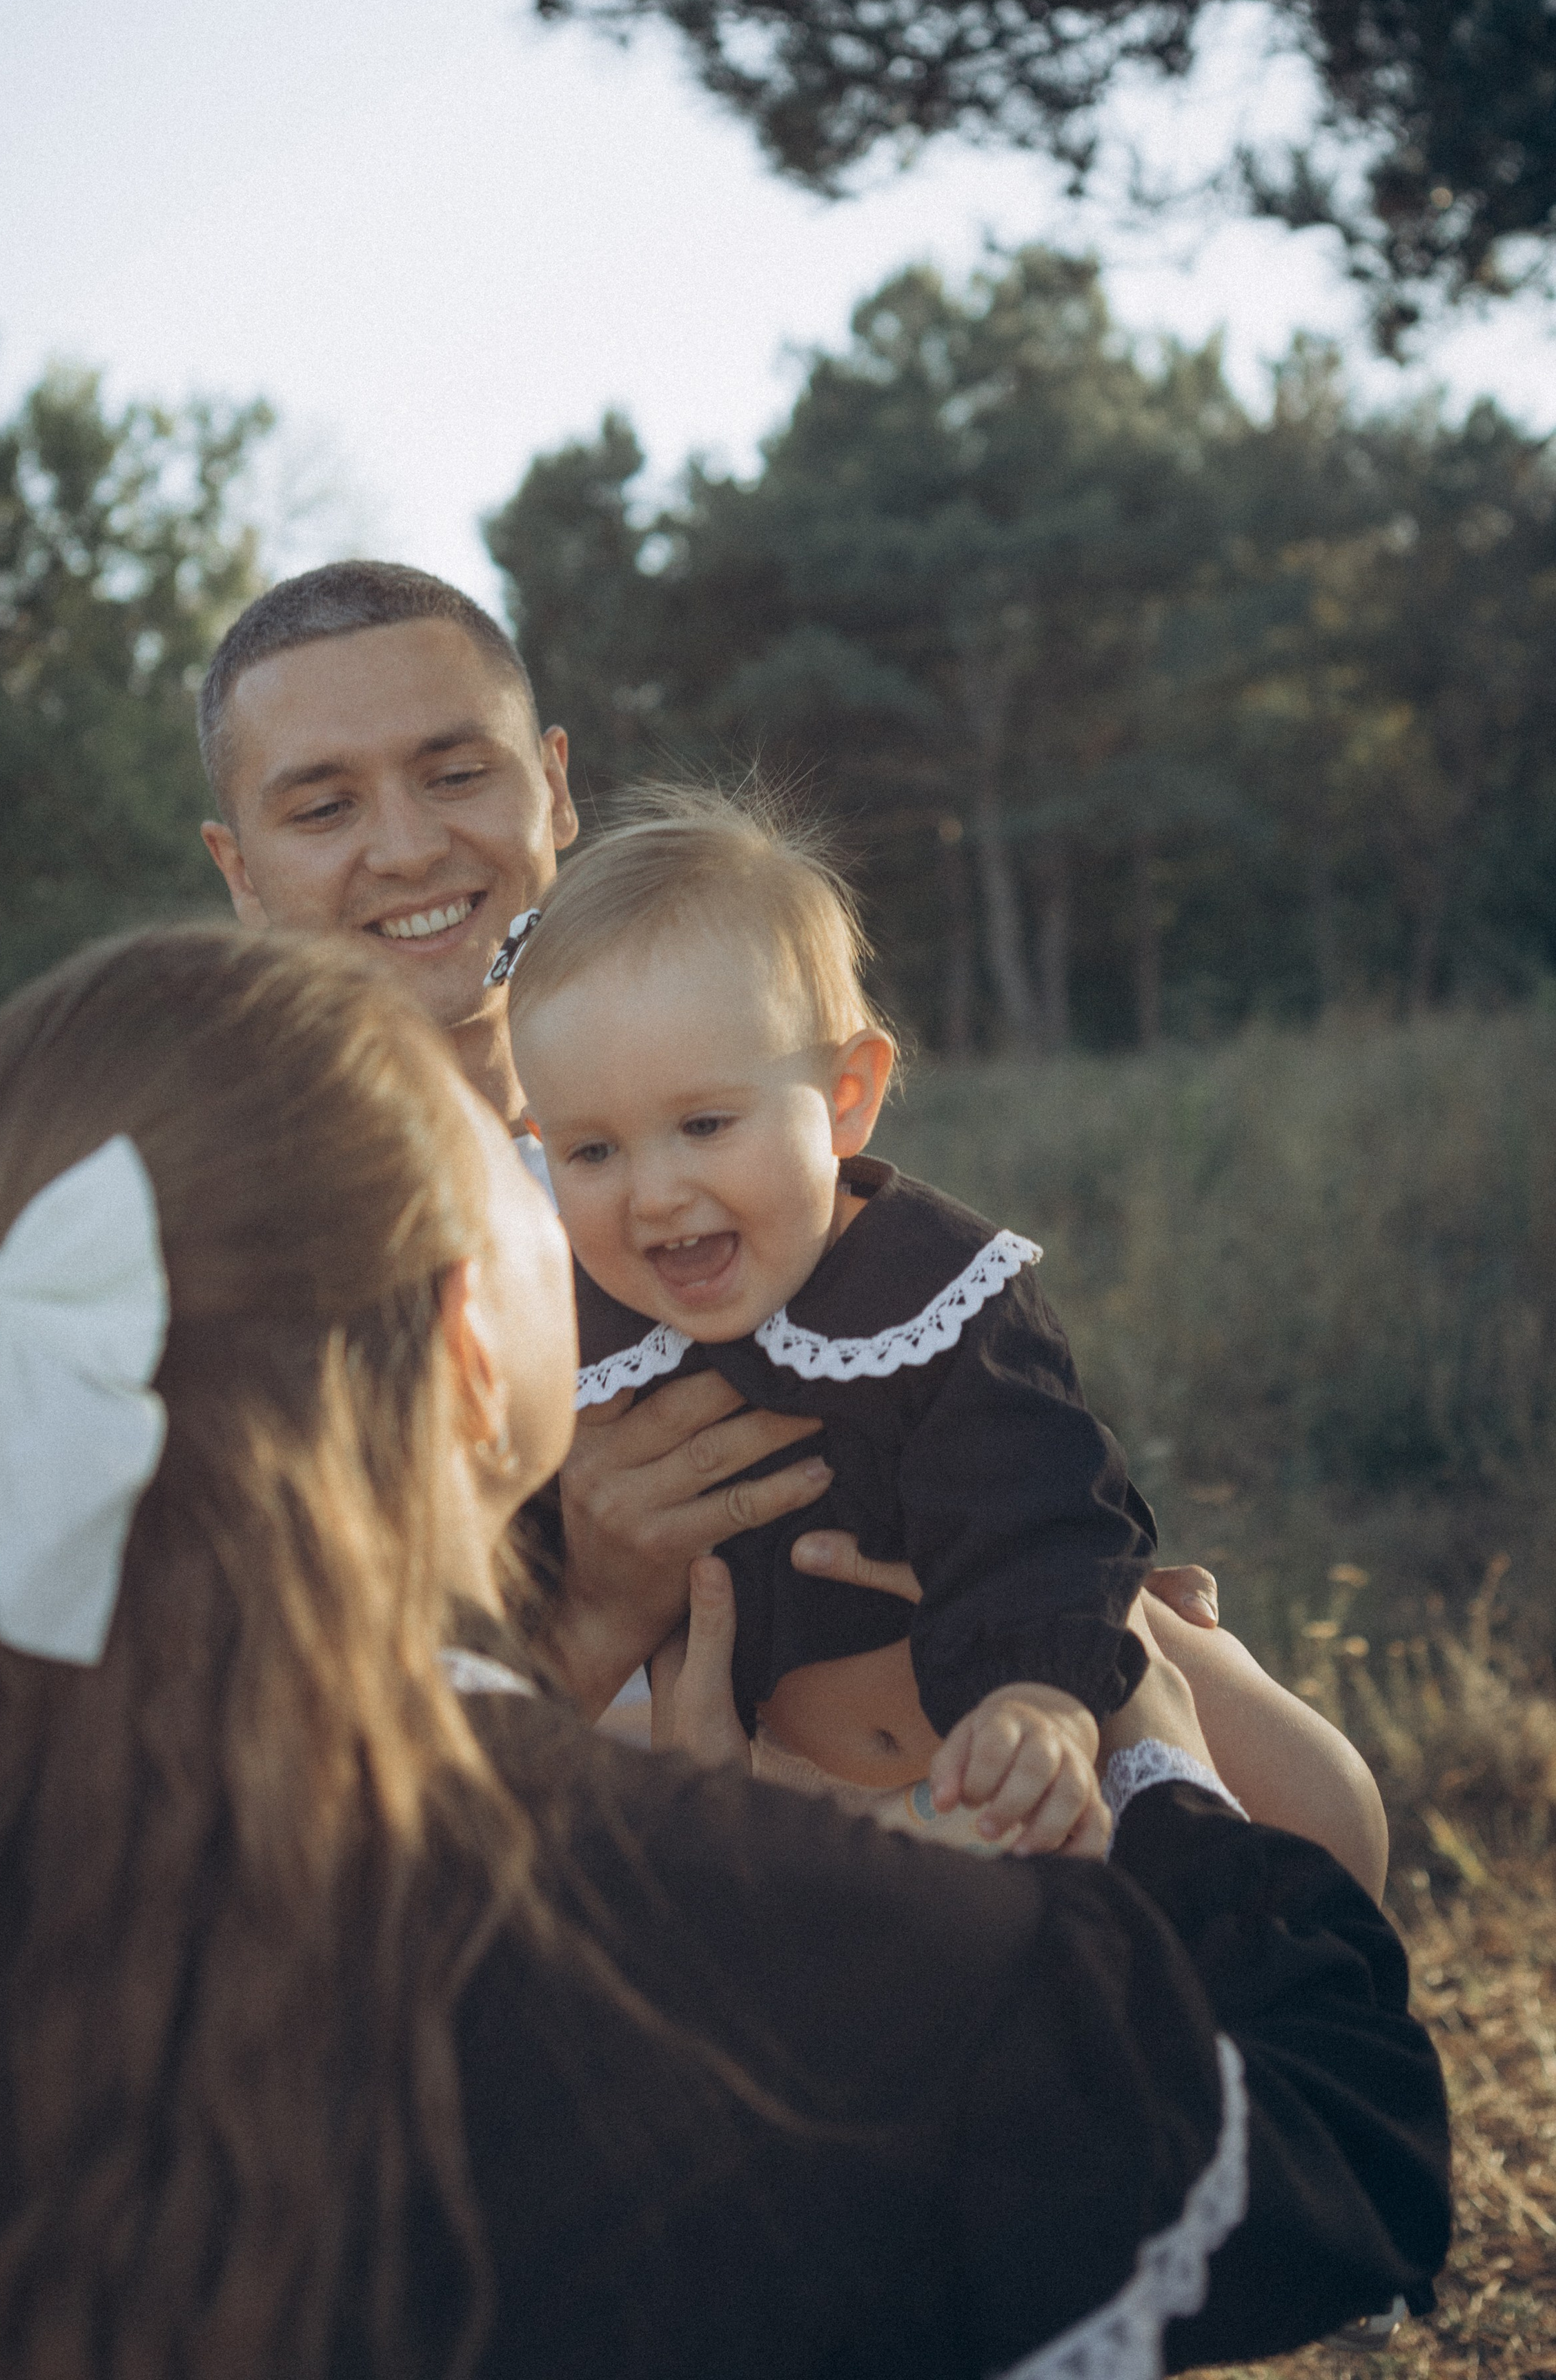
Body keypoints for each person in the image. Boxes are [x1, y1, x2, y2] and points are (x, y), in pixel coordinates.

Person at [0, 927, 1448, 2379]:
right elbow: (1343, 2158)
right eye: (535, 1159)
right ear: (466, 1341)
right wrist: (1142, 1734)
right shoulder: (774, 1932)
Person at [191, 562, 1245, 1747]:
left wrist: (1061, 1566)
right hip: (609, 1807)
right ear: (240, 871)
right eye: (323, 809)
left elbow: (960, 1435)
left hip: (955, 1705)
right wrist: (596, 1615)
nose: (405, 846)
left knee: (1311, 1796)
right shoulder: (222, 1272)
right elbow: (291, 1769)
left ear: (553, 785)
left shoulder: (721, 1105)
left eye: (455, 775)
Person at [507, 787, 1387, 1888]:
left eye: (704, 1125)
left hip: (1012, 1741)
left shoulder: (932, 1290)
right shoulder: (585, 1336)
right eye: (592, 1152)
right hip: (804, 1790)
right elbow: (529, 1562)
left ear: (845, 1098)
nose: (655, 1194)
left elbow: (1049, 1514)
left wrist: (1045, 1697)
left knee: (1306, 1846)